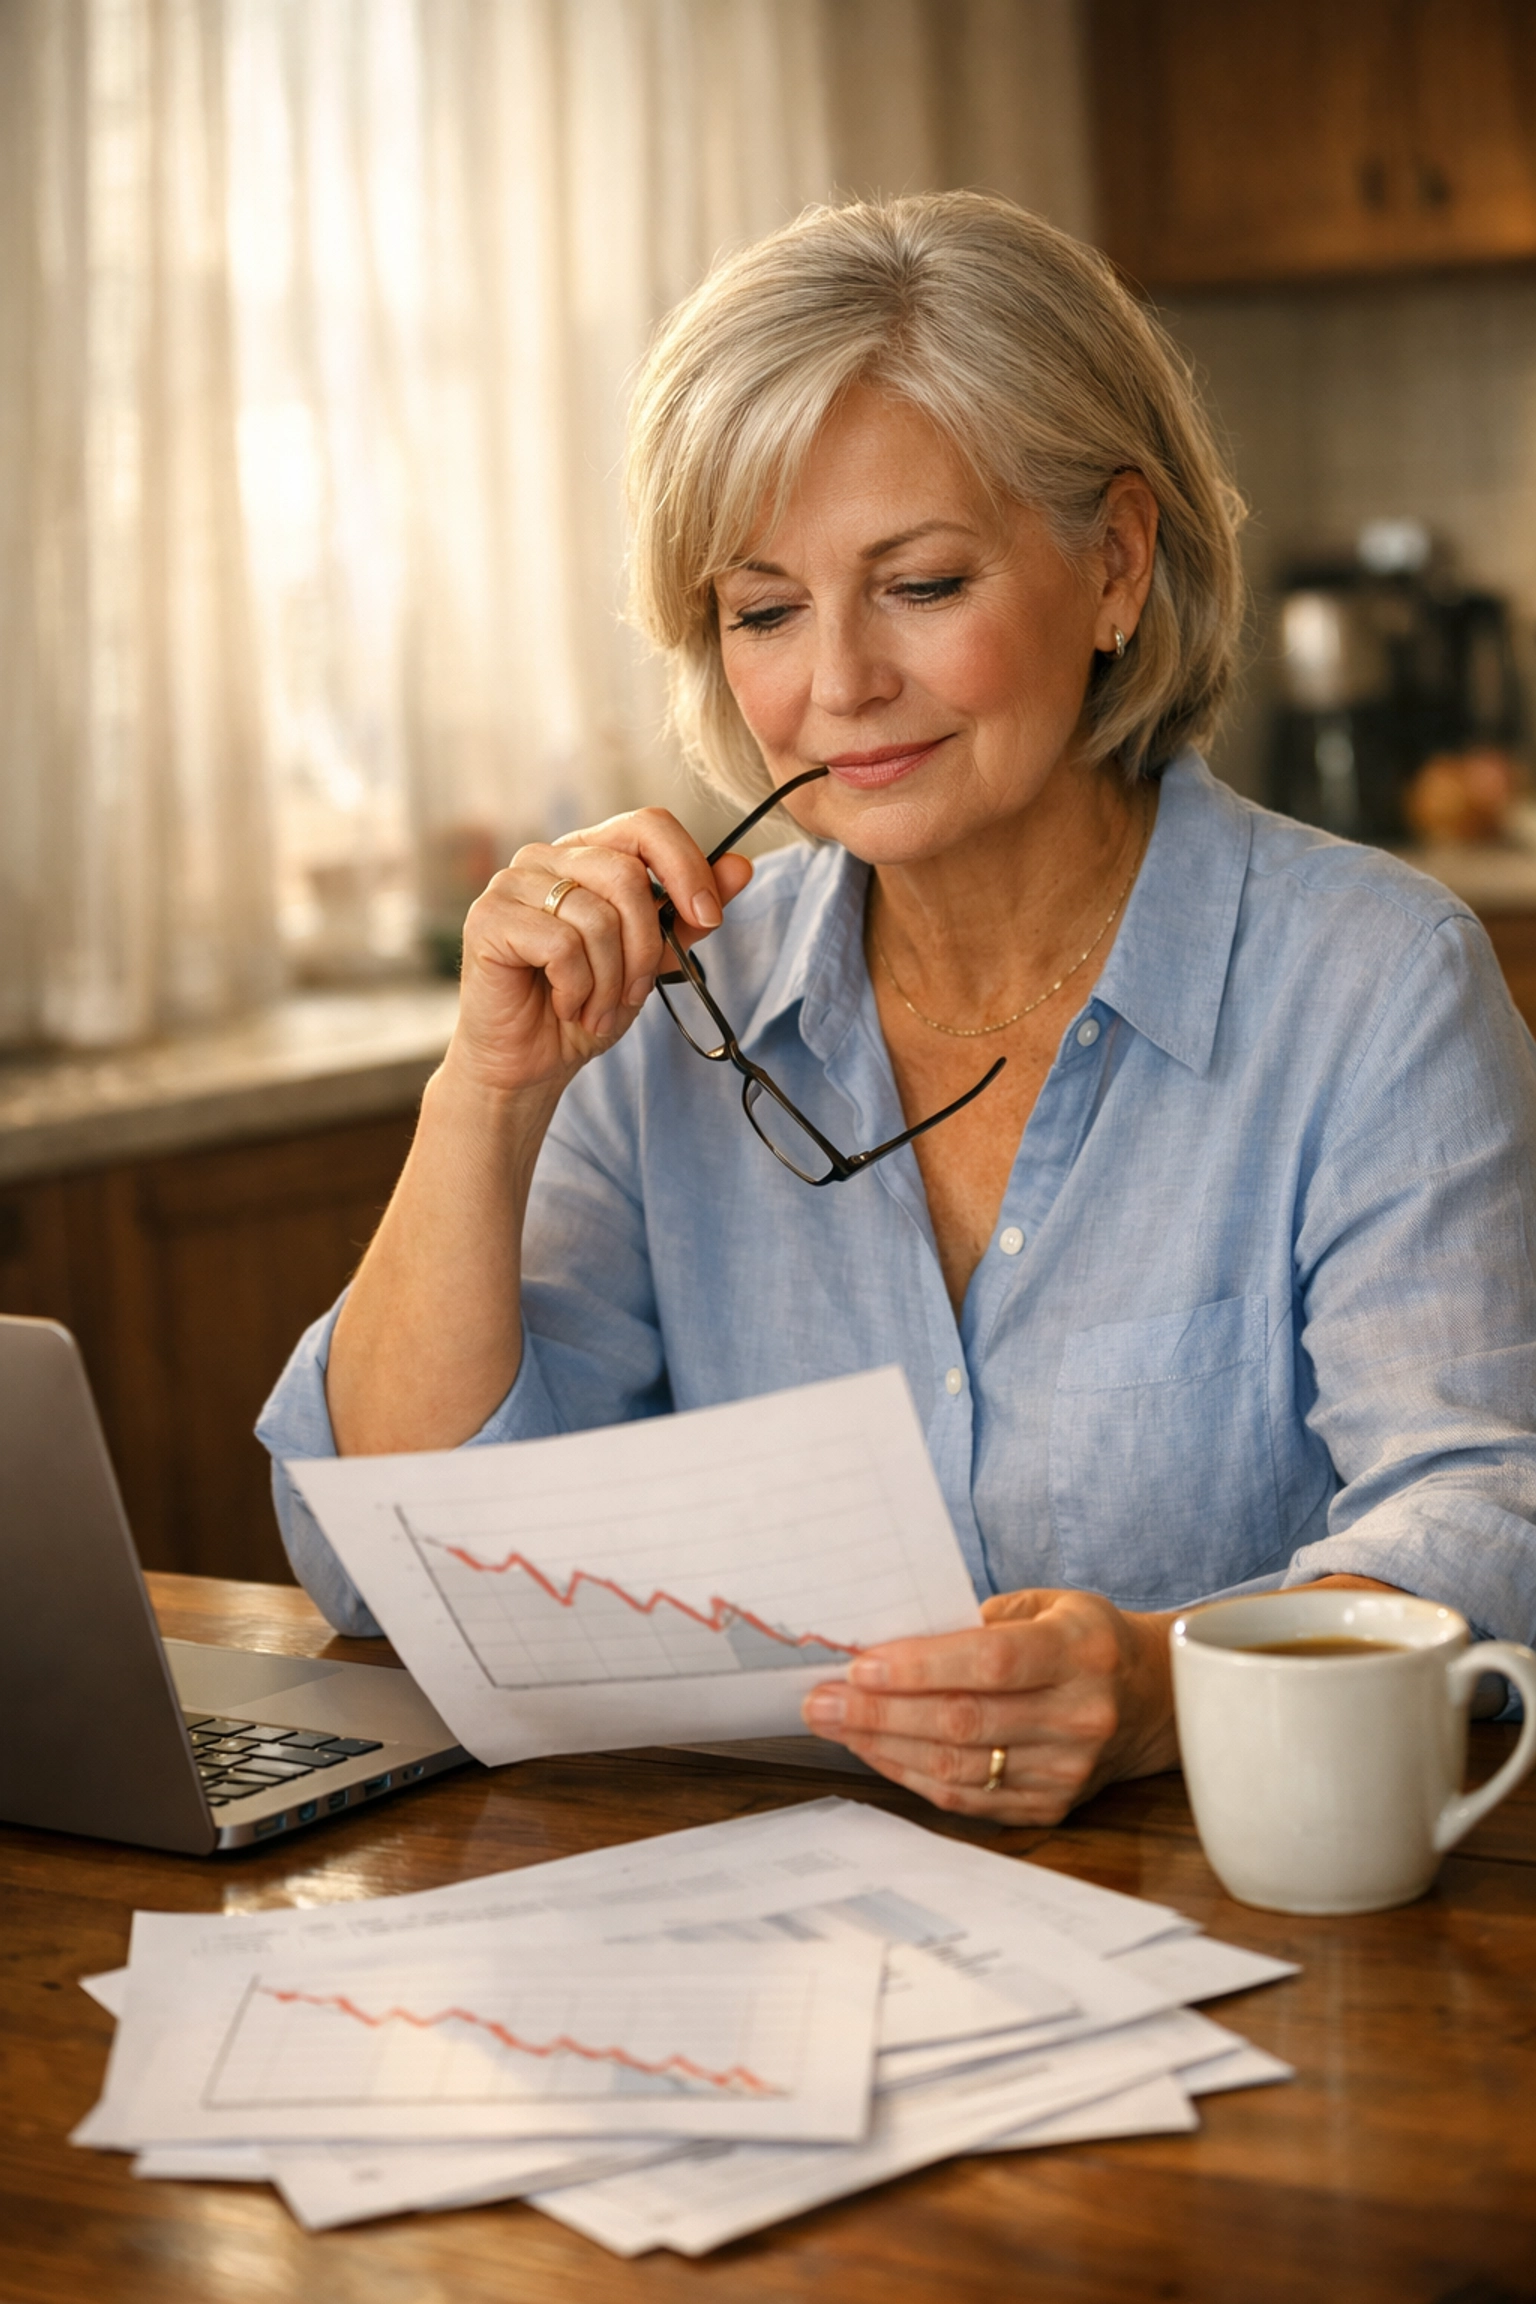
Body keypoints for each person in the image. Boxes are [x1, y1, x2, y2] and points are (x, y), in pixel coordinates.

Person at [259, 192, 1536, 1824]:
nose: (839, 684)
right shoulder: (677, 1006)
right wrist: (485, 1093)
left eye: (921, 584)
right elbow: (384, 1548)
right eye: (766, 610)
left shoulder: (1373, 985)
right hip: (774, 1935)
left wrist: (1159, 1685)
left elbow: (1485, 1513)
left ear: (1116, 565)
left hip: (1254, 1929)